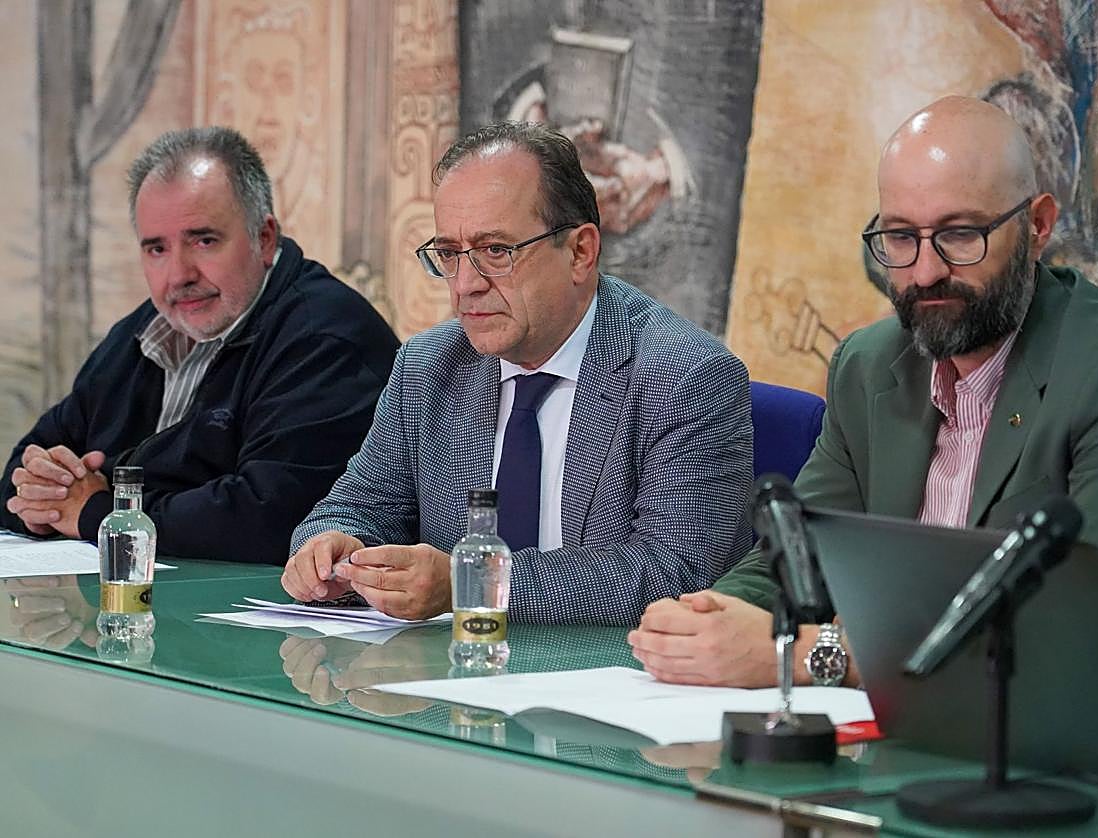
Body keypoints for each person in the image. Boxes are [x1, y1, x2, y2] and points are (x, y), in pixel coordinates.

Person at [629, 96, 1098, 714]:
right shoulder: (870, 366)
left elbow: (1067, 634)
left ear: (1037, 225)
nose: (925, 272)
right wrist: (708, 616)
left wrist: (801, 655)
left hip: (1085, 756)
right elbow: (800, 555)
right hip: (900, 735)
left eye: (960, 235)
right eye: (900, 236)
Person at [282, 121, 753, 624]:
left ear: (580, 252)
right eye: (448, 254)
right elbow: (359, 505)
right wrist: (330, 548)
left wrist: (473, 583)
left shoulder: (684, 375)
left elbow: (674, 574)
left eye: (496, 252)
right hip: (452, 680)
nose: (464, 285)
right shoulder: (429, 366)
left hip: (611, 682)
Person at [2, 127, 400, 563]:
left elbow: (269, 518)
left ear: (264, 239)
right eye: (156, 249)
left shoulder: (324, 336)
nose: (179, 274)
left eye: (203, 241)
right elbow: (24, 467)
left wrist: (99, 513)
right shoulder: (144, 330)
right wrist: (41, 502)